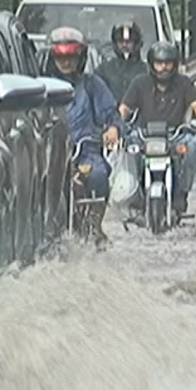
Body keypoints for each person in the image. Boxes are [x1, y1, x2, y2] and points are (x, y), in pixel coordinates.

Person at [43, 26, 123, 247]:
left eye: (71, 56)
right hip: (49, 152)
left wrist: (112, 128)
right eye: (60, 57)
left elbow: (111, 113)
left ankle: (93, 225)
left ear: (81, 57)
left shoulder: (92, 84)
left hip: (84, 152)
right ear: (52, 57)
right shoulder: (41, 85)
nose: (66, 62)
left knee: (98, 174)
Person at [119, 40, 196, 216]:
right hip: (144, 136)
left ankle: (181, 192)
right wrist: (116, 127)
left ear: (175, 64)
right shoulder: (140, 83)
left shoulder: (184, 83)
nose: (163, 68)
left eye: (168, 63)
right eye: (159, 63)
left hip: (174, 136)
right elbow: (124, 108)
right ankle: (135, 192)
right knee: (128, 147)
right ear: (152, 64)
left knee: (193, 143)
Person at [95, 22, 148, 102]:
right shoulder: (104, 69)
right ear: (115, 44)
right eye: (120, 41)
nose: (124, 45)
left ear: (136, 43)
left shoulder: (146, 69)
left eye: (129, 42)